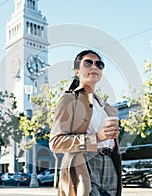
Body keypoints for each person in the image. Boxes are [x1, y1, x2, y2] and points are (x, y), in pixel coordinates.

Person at [49, 50, 122, 196]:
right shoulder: (69, 99)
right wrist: (97, 138)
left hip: (109, 164)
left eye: (99, 64)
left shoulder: (106, 107)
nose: (94, 67)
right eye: (88, 63)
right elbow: (56, 142)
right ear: (77, 71)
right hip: (84, 164)